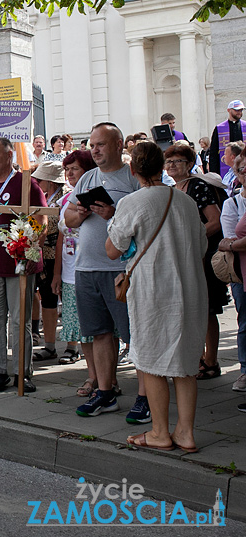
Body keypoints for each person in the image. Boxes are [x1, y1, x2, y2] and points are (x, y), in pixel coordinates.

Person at [106, 141, 207, 452]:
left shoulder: (133, 202)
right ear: (162, 168)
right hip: (190, 288)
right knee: (187, 362)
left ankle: (160, 432)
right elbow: (201, 246)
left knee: (151, 361)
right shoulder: (186, 202)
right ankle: (186, 432)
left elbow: (112, 250)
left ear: (134, 169)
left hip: (153, 290)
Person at [63, 123, 144, 420]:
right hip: (87, 268)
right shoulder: (87, 179)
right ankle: (106, 392)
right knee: (99, 334)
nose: (95, 150)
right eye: (92, 145)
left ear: (119, 144)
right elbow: (69, 218)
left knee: (133, 335)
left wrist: (115, 213)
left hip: (121, 269)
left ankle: (145, 397)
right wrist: (80, 213)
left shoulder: (133, 177)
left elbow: (145, 217)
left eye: (101, 144)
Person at [0, 137, 47, 392]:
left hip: (20, 264)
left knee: (19, 320)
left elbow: (42, 219)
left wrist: (26, 244)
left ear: (9, 156)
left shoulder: (27, 183)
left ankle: (21, 372)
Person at [164, 143, 228, 382]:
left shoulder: (198, 186)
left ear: (189, 164)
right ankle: (197, 356)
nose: (171, 166)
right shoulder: (171, 187)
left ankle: (211, 360)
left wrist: (191, 238)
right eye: (168, 162)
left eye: (176, 161)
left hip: (202, 255)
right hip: (181, 257)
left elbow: (215, 220)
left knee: (208, 308)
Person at [52, 151, 97, 381]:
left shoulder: (95, 194)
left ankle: (105, 378)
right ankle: (92, 375)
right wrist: (57, 273)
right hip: (70, 269)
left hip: (92, 267)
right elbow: (62, 235)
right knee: (80, 329)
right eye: (67, 169)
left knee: (95, 329)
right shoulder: (66, 199)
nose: (69, 174)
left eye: (75, 169)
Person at [31, 162, 68, 362]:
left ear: (50, 181)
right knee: (47, 299)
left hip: (60, 256)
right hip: (43, 256)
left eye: (40, 180)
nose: (37, 183)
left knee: (66, 300)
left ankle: (72, 345)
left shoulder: (63, 200)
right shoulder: (45, 198)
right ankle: (50, 345)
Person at [220, 153, 246, 394]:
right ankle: (245, 370)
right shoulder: (233, 202)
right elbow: (228, 239)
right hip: (240, 272)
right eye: (242, 170)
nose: (245, 174)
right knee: (244, 322)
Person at [209, 99, 246, 181]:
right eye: (236, 110)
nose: (239, 112)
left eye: (241, 110)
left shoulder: (245, 126)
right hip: (225, 169)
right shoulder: (219, 128)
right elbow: (213, 152)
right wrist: (214, 173)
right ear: (229, 110)